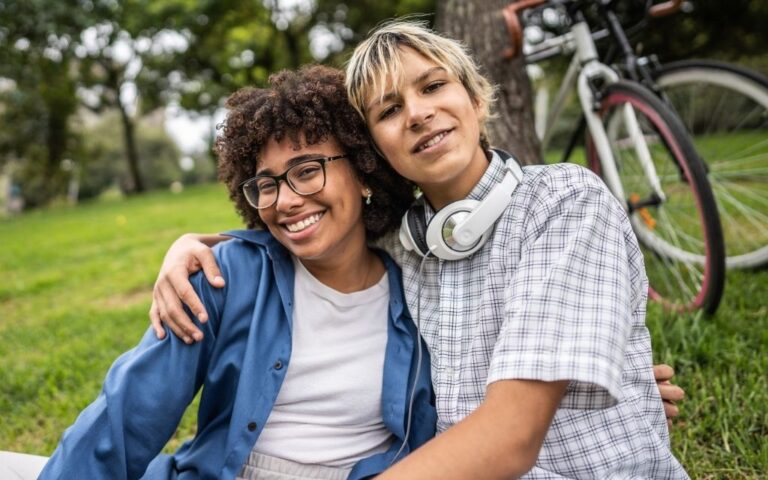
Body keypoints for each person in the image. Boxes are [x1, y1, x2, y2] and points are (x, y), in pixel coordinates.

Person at [151, 21, 689, 478]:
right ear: (373, 151)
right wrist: (194, 246)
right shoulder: (401, 244)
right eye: (388, 110)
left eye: (433, 86)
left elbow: (513, 436)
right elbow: (315, 228)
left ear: (475, 97)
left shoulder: (564, 202)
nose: (417, 113)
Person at [39, 65, 435, 480]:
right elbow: (128, 414)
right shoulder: (225, 275)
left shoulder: (418, 292)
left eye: (306, 171)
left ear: (364, 173)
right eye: (267, 184)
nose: (285, 201)